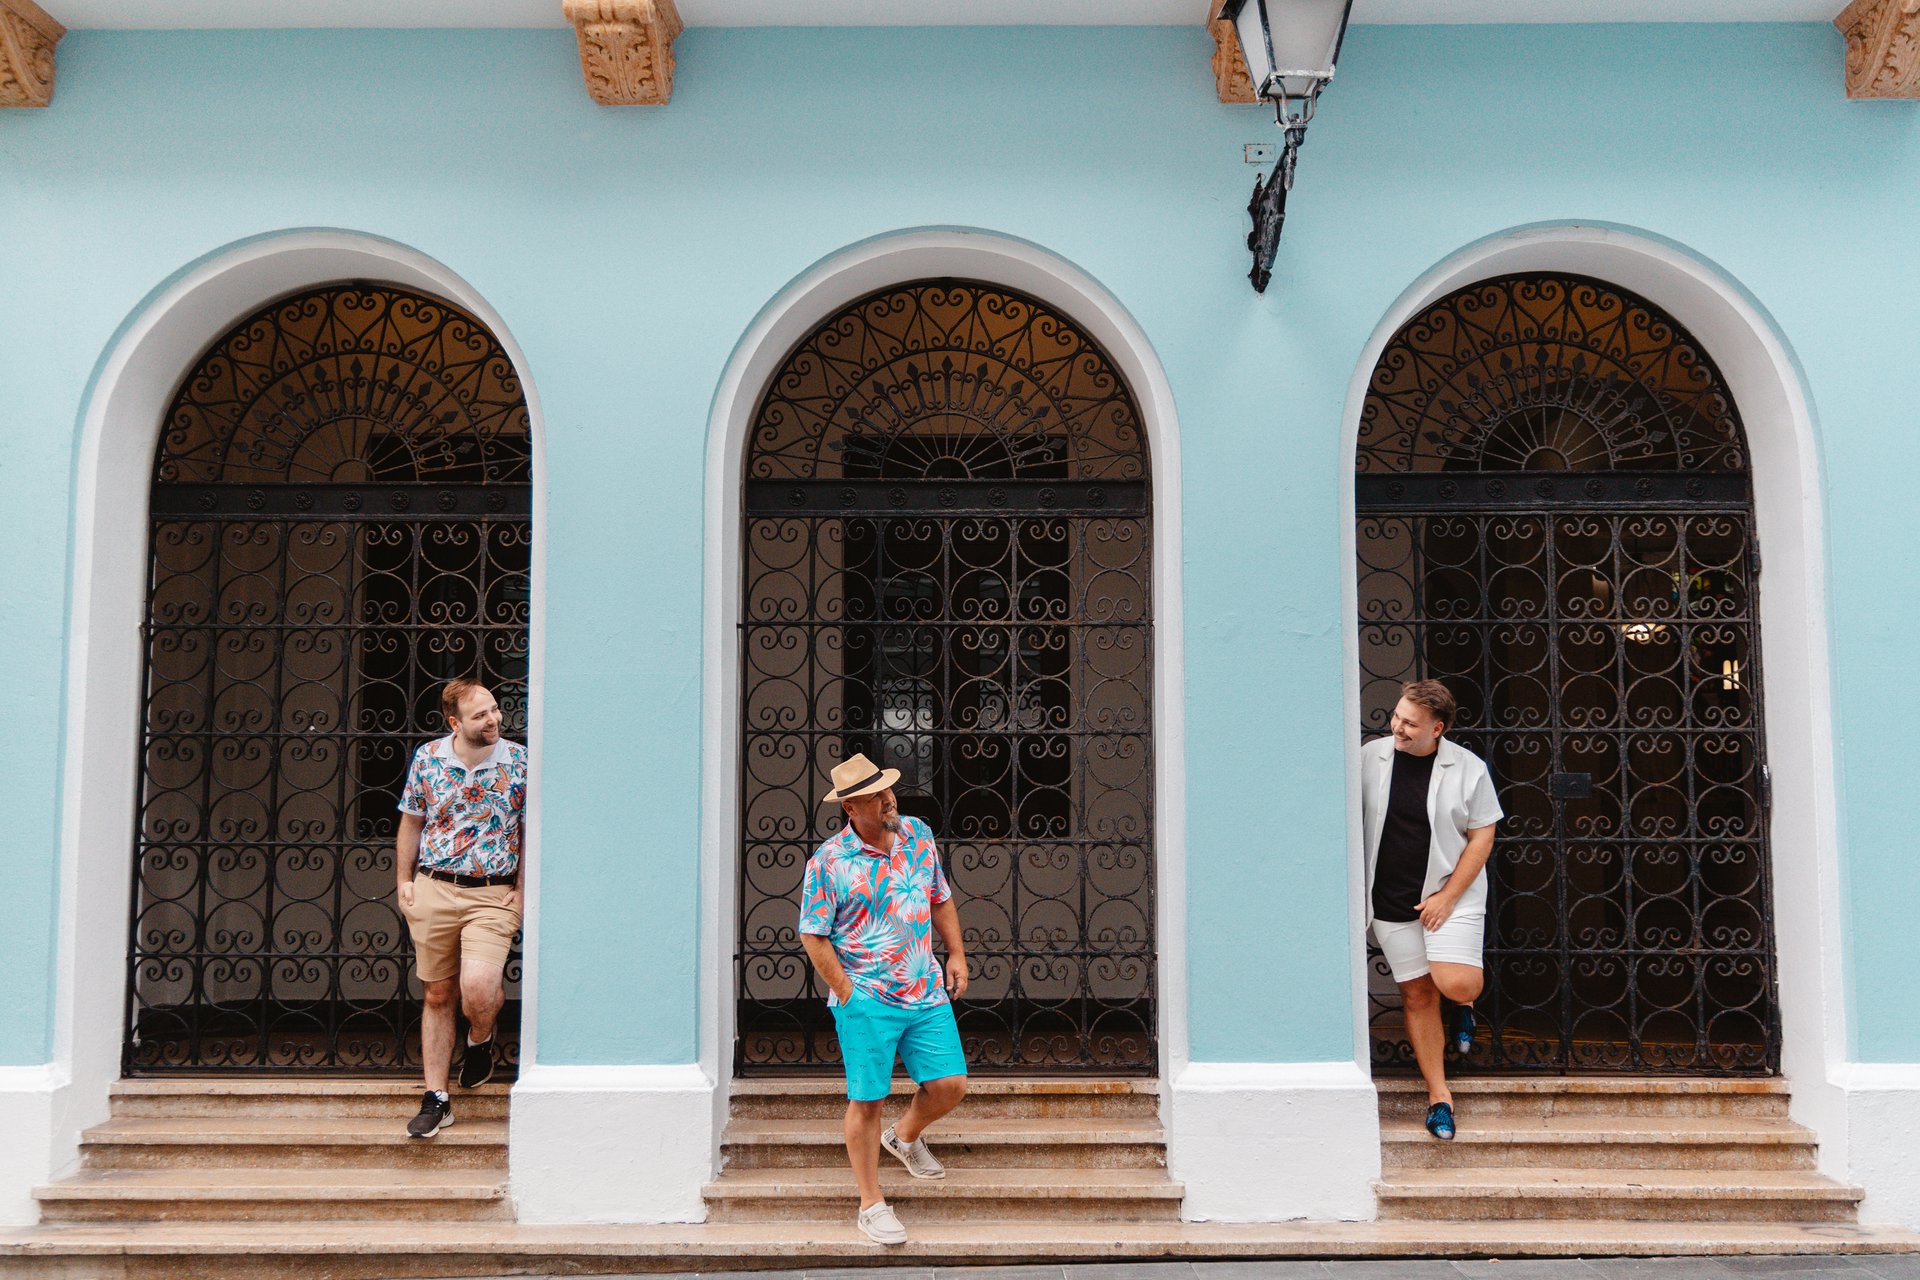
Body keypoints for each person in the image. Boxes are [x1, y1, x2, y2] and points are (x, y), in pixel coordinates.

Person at [798, 753, 969, 1246]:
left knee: (951, 1085)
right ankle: (871, 1204)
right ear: (851, 808)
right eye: (875, 796)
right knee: (867, 1100)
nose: (888, 799)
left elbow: (939, 897)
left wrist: (956, 954)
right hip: (866, 997)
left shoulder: (917, 834)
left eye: (887, 789)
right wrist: (847, 993)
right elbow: (813, 934)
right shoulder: (829, 862)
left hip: (924, 989)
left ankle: (905, 1136)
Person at [1361, 678, 1502, 1142]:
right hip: (1391, 899)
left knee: (1455, 981)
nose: (1397, 728)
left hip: (1449, 893)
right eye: (1397, 717)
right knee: (1418, 996)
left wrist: (1448, 897)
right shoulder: (1371, 758)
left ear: (1437, 728)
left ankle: (1464, 1005)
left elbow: (1483, 834)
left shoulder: (1468, 769)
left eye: (1410, 723)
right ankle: (1440, 1097)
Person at [394, 679, 528, 1139]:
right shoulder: (428, 758)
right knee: (437, 995)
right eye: (480, 715)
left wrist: (522, 889)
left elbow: (530, 829)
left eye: (494, 710)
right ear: (455, 722)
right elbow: (412, 820)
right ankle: (437, 1098)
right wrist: (404, 880)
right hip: (434, 887)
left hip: (493, 893)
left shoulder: (519, 762)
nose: (493, 719)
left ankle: (480, 1038)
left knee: (478, 987)